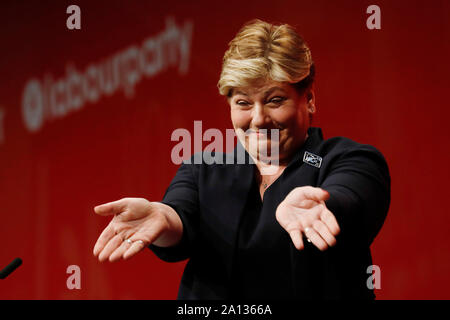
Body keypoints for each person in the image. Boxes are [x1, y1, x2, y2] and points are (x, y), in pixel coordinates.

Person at [93, 19, 390, 299]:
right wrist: (164, 218)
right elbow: (180, 218)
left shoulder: (350, 160)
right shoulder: (203, 170)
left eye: (275, 100)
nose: (258, 119)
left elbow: (351, 200)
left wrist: (322, 206)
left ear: (309, 99)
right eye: (244, 103)